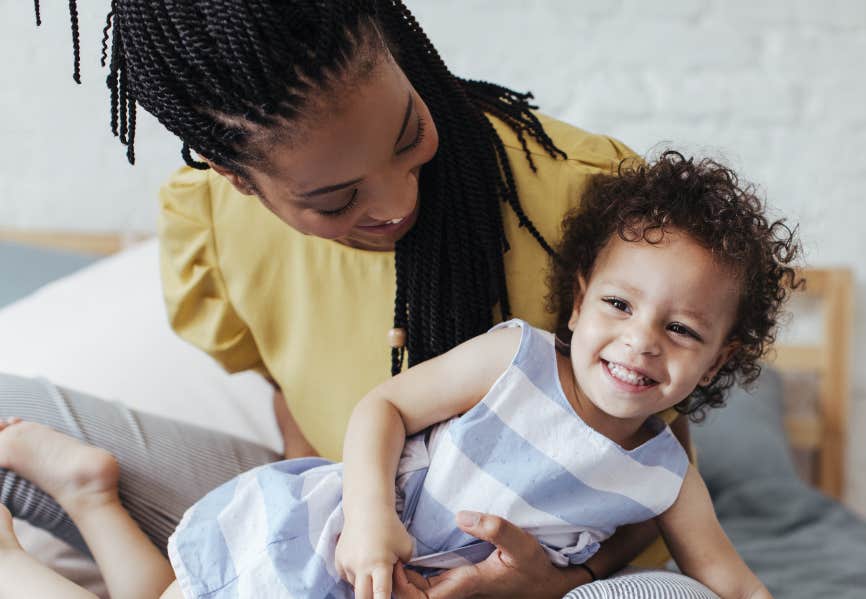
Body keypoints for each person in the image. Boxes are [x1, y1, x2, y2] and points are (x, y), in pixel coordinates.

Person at [4, 1, 713, 597]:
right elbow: (291, 394)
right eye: (335, 200)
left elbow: (657, 453)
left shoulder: (596, 203)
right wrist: (320, 537)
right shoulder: (214, 221)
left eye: (410, 134)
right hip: (348, 521)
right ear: (238, 178)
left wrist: (555, 579)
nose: (398, 200)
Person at [0, 152, 796, 599]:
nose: (640, 342)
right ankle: (39, 540)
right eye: (620, 304)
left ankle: (91, 491)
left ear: (718, 357)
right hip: (336, 548)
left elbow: (724, 575)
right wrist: (371, 516)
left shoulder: (664, 474)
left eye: (682, 329)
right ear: (581, 299)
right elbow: (383, 407)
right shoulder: (516, 358)